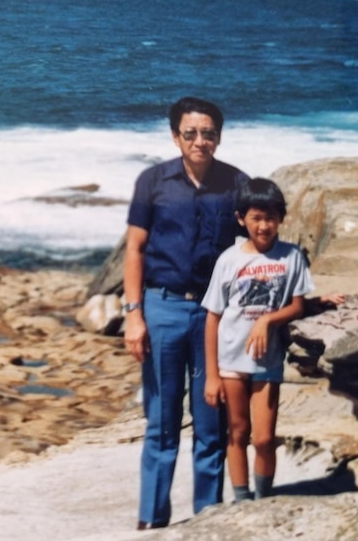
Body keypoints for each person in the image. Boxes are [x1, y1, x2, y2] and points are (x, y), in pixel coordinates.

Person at [124, 96, 250, 530]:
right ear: (175, 135)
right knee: (161, 422)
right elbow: (134, 249)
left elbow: (257, 244)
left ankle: (206, 520)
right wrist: (133, 314)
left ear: (219, 135)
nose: (200, 141)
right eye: (191, 133)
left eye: (208, 133)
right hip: (162, 310)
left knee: (210, 421)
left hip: (215, 316)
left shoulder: (237, 183)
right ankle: (152, 521)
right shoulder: (153, 182)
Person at [201, 177, 314, 502]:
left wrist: (267, 319)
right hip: (231, 360)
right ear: (241, 219)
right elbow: (213, 317)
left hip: (267, 359)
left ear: (281, 218)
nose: (264, 226)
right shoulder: (229, 259)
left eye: (270, 218)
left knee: (264, 439)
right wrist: (211, 375)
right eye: (256, 218)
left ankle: (264, 501)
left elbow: (297, 305)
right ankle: (241, 501)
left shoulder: (291, 256)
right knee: (237, 432)